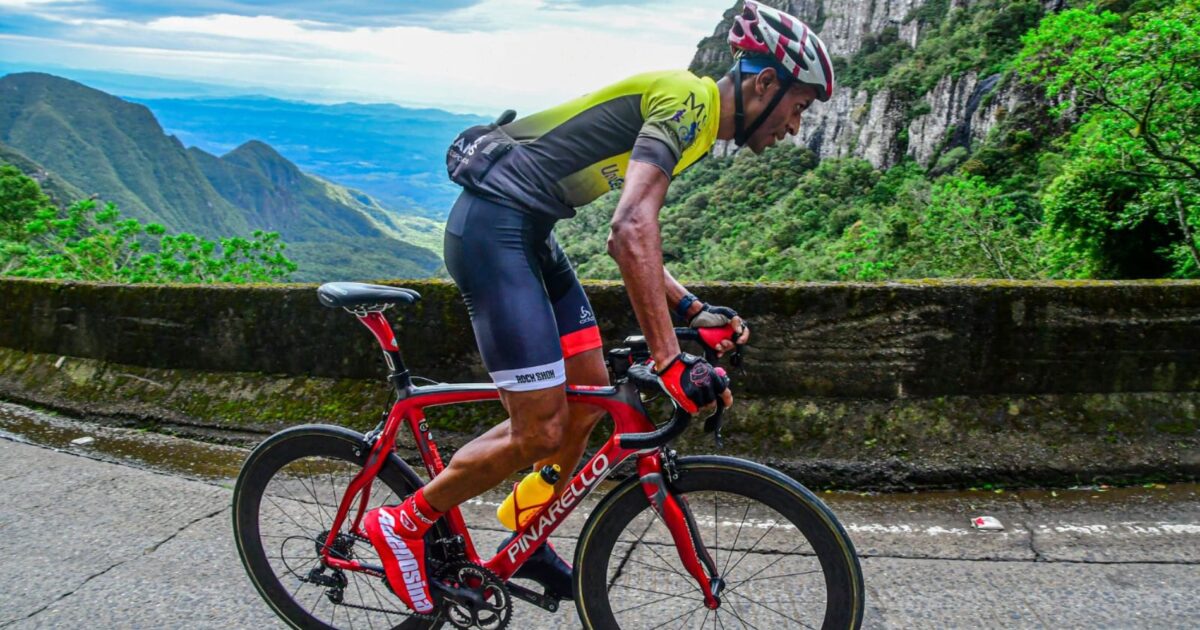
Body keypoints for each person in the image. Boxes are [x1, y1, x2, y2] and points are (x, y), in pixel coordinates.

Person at [363, 0, 835, 614]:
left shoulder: (694, 123)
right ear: (764, 84)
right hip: (493, 232)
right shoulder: (689, 103)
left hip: (532, 233)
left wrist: (691, 311)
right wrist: (671, 360)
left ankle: (526, 532)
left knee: (587, 399)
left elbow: (638, 237)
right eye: (798, 108)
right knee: (542, 429)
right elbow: (630, 229)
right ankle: (402, 524)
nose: (796, 126)